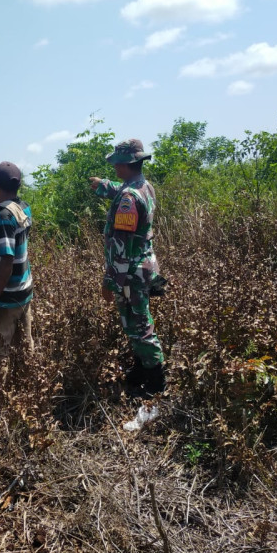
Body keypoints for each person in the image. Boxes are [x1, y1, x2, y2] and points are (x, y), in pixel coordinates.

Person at [89, 139, 165, 394]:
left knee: (139, 325)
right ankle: (143, 366)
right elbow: (124, 192)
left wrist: (109, 282)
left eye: (118, 164)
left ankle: (155, 380)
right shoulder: (144, 187)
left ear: (127, 164)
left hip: (130, 272)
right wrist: (104, 187)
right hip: (142, 266)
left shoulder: (129, 197)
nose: (115, 168)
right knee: (136, 323)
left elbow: (121, 246)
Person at [0, 161, 34, 415]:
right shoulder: (22, 207)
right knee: (25, 345)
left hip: (7, 296)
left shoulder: (4, 216)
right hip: (25, 290)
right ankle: (29, 392)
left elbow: (6, 260)